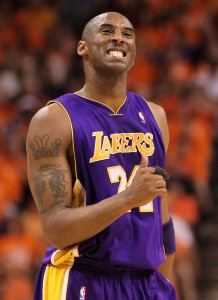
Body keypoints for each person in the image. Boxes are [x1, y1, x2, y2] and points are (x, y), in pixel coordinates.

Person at [26, 11, 177, 300]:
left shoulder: (155, 116)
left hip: (144, 284)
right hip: (80, 277)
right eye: (107, 31)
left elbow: (161, 211)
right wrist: (127, 200)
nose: (119, 37)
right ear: (83, 47)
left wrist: (162, 282)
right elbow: (56, 229)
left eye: (128, 33)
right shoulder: (54, 120)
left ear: (133, 54)